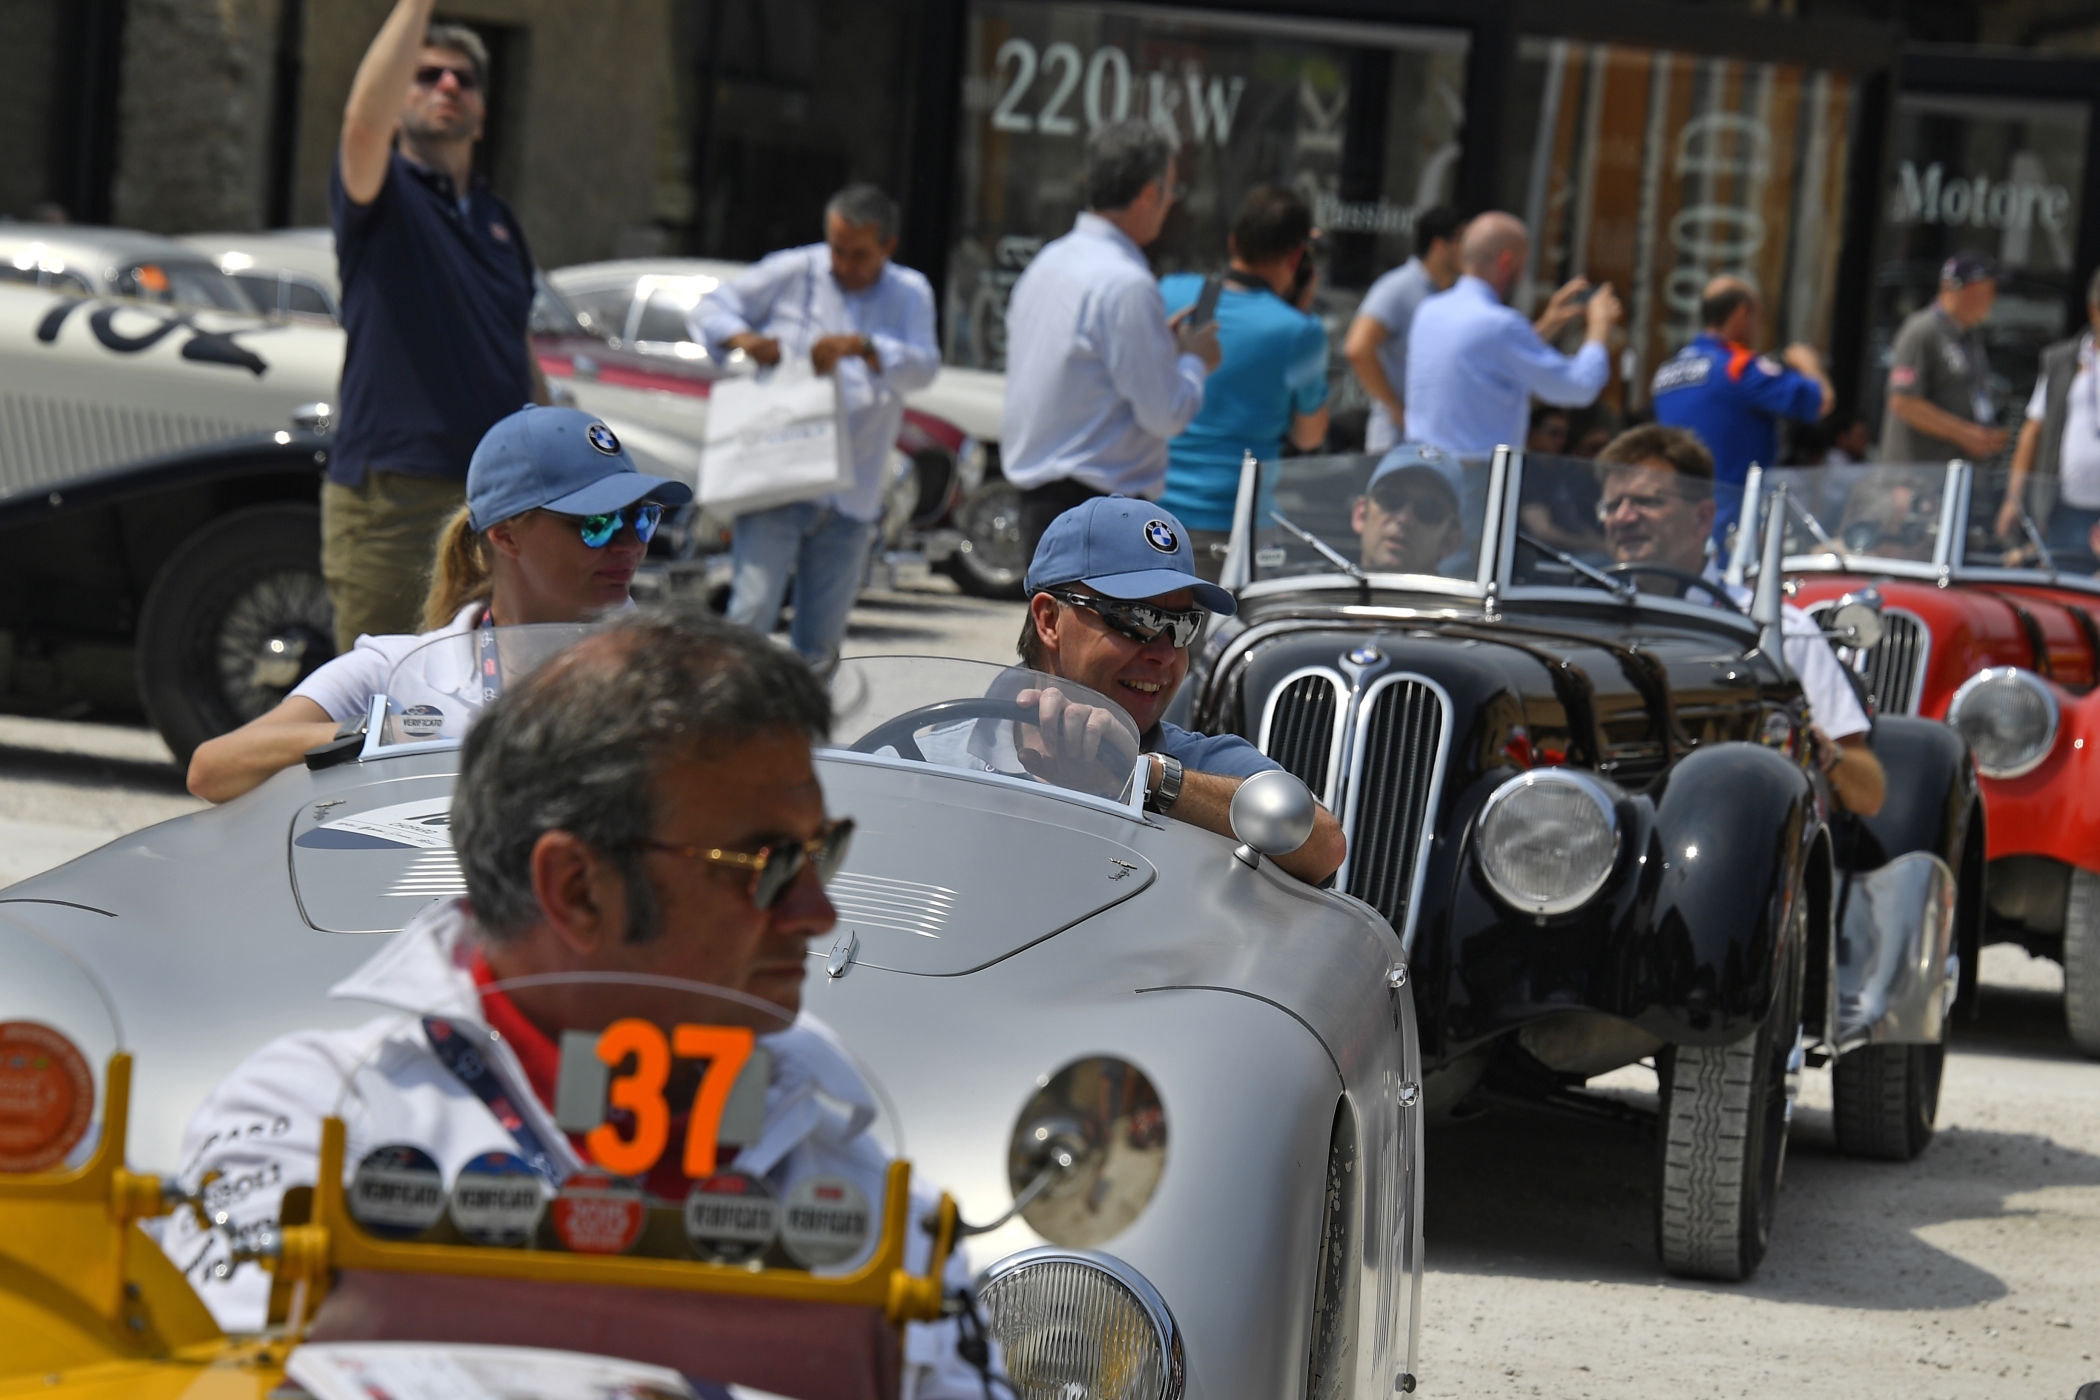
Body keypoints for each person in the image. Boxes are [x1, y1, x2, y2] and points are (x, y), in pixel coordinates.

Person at [159, 602, 981, 1396]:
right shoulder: (320, 1124)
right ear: (578, 889)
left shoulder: (842, 1151)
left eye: (821, 853)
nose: (818, 913)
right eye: (768, 865)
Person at [186, 406, 688, 802]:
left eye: (642, 518)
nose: (630, 545)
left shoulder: (669, 667)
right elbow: (213, 769)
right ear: (506, 536)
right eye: (598, 523)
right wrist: (383, 734)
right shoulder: (394, 670)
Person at [327, 1, 551, 652]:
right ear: (398, 99)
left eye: (465, 79)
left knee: (488, 687)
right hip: (397, 498)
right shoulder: (384, 194)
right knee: (381, 693)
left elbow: (518, 347)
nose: (448, 85)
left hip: (498, 500)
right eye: (426, 76)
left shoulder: (498, 220)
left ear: (483, 111)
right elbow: (362, 125)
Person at [1016, 498, 1346, 884]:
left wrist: (1144, 776)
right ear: (1049, 620)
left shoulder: (1197, 762)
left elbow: (1325, 845)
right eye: (1137, 619)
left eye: (1184, 626)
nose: (1165, 654)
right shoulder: (952, 741)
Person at [695, 183, 940, 673]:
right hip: (778, 477)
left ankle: (804, 722)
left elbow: (924, 368)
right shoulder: (795, 270)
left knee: (821, 644)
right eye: (837, 250)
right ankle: (727, 714)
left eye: (859, 255)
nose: (844, 265)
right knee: (750, 615)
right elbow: (709, 309)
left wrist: (864, 347)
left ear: (888, 247)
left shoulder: (910, 292)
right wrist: (746, 339)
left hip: (853, 492)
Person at [1594, 425, 1885, 816]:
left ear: (1702, 518)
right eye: (1612, 506)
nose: (1624, 517)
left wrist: (1820, 750)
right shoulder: (1591, 625)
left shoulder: (1777, 630)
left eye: (1647, 501)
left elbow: (1869, 795)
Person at [1001, 121, 1223, 561]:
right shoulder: (1125, 283)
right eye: (1172, 190)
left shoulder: (1050, 261)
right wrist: (1195, 361)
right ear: (1149, 194)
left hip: (1047, 502)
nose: (1172, 203)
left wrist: (1163, 350)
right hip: (1097, 514)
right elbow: (1166, 413)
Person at [1158, 186, 1330, 580]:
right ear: (1296, 257)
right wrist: (1297, 313)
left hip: (1151, 514)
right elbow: (1309, 437)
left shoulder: (1169, 291)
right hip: (1234, 527)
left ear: (1233, 242)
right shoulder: (1300, 332)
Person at [1403, 212, 1619, 458]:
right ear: (1507, 262)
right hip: (1476, 476)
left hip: (1422, 467)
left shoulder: (1429, 311)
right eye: (1523, 265)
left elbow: (1487, 357)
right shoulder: (1501, 325)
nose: (1523, 275)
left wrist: (1546, 325)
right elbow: (1580, 387)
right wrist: (1599, 326)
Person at [1651, 275, 1834, 547]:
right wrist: (1808, 364)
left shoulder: (1666, 372)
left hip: (1675, 520)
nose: (1758, 328)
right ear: (1741, 313)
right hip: (1729, 526)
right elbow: (1822, 401)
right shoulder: (1738, 367)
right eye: (1758, 317)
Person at [1996, 267, 2100, 567]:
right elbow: (2032, 432)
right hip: (2064, 511)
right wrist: (2013, 501)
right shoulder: (2063, 361)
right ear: (2094, 310)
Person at [1346, 205, 1468, 453]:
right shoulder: (1398, 287)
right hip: (1396, 441)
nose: (1469, 248)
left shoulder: (1454, 293)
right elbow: (1358, 347)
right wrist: (1394, 408)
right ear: (1439, 245)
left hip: (1437, 443)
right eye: (1461, 240)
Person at [1879, 252, 2009, 467]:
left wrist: (1984, 433)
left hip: (1953, 473)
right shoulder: (1921, 331)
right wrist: (1965, 434)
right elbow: (1903, 401)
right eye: (1990, 289)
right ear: (1971, 289)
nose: (1993, 298)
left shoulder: (1969, 336)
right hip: (1915, 477)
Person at [1354, 446, 1466, 574]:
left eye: (1429, 510)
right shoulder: (1332, 581)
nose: (1404, 519)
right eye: (1391, 497)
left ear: (1450, 542)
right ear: (1361, 515)